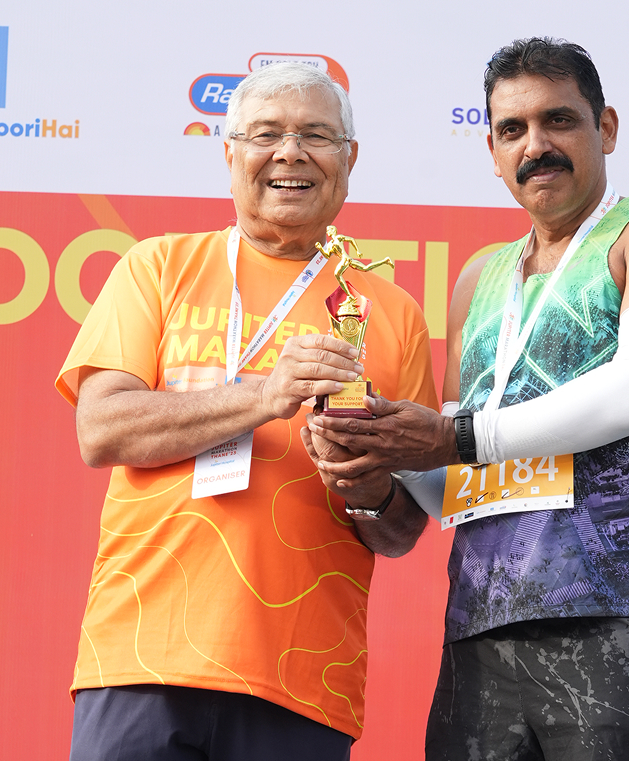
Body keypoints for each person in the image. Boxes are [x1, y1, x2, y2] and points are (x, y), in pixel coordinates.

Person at [308, 38, 629, 760]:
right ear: (493, 150)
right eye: (513, 129)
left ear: (605, 128)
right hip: (479, 629)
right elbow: (448, 483)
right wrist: (375, 455)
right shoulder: (479, 280)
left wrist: (453, 439)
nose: (535, 146)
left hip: (620, 615)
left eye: (558, 120)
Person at [55, 62, 436, 761]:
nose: (290, 153)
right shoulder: (156, 267)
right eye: (266, 134)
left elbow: (404, 527)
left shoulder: (391, 312)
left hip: (302, 676)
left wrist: (362, 483)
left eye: (315, 135)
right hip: (141, 656)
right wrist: (263, 396)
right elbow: (100, 428)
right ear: (229, 154)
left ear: (349, 160)